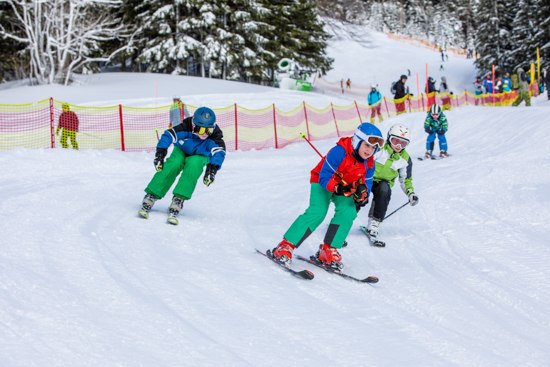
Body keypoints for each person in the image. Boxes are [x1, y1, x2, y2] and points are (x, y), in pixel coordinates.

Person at [270, 123, 384, 270]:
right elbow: (324, 178)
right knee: (318, 212)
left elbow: (367, 185)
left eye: (373, 148)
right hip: (322, 182)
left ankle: (328, 249)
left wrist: (363, 196)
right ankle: (285, 246)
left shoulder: (369, 163)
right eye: (367, 145)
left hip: (344, 188)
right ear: (357, 141)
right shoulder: (339, 152)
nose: (369, 150)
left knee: (348, 212)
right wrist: (338, 188)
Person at [138, 107, 226, 225]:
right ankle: (152, 194)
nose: (205, 134)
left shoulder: (214, 136)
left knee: (194, 166)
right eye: (201, 130)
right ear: (194, 125)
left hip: (199, 155)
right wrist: (160, 153)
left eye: (208, 130)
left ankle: (178, 199)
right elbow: (169, 135)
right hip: (182, 150)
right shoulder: (186, 127)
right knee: (173, 164)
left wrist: (212, 168)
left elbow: (219, 152)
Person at [363, 124, 419, 241]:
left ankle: (374, 222)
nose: (398, 146)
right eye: (395, 141)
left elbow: (406, 179)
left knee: (385, 190)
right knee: (359, 194)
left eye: (403, 143)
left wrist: (410, 193)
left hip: (383, 182)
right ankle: (345, 219)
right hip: (367, 178)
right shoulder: (379, 149)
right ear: (389, 138)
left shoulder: (405, 159)